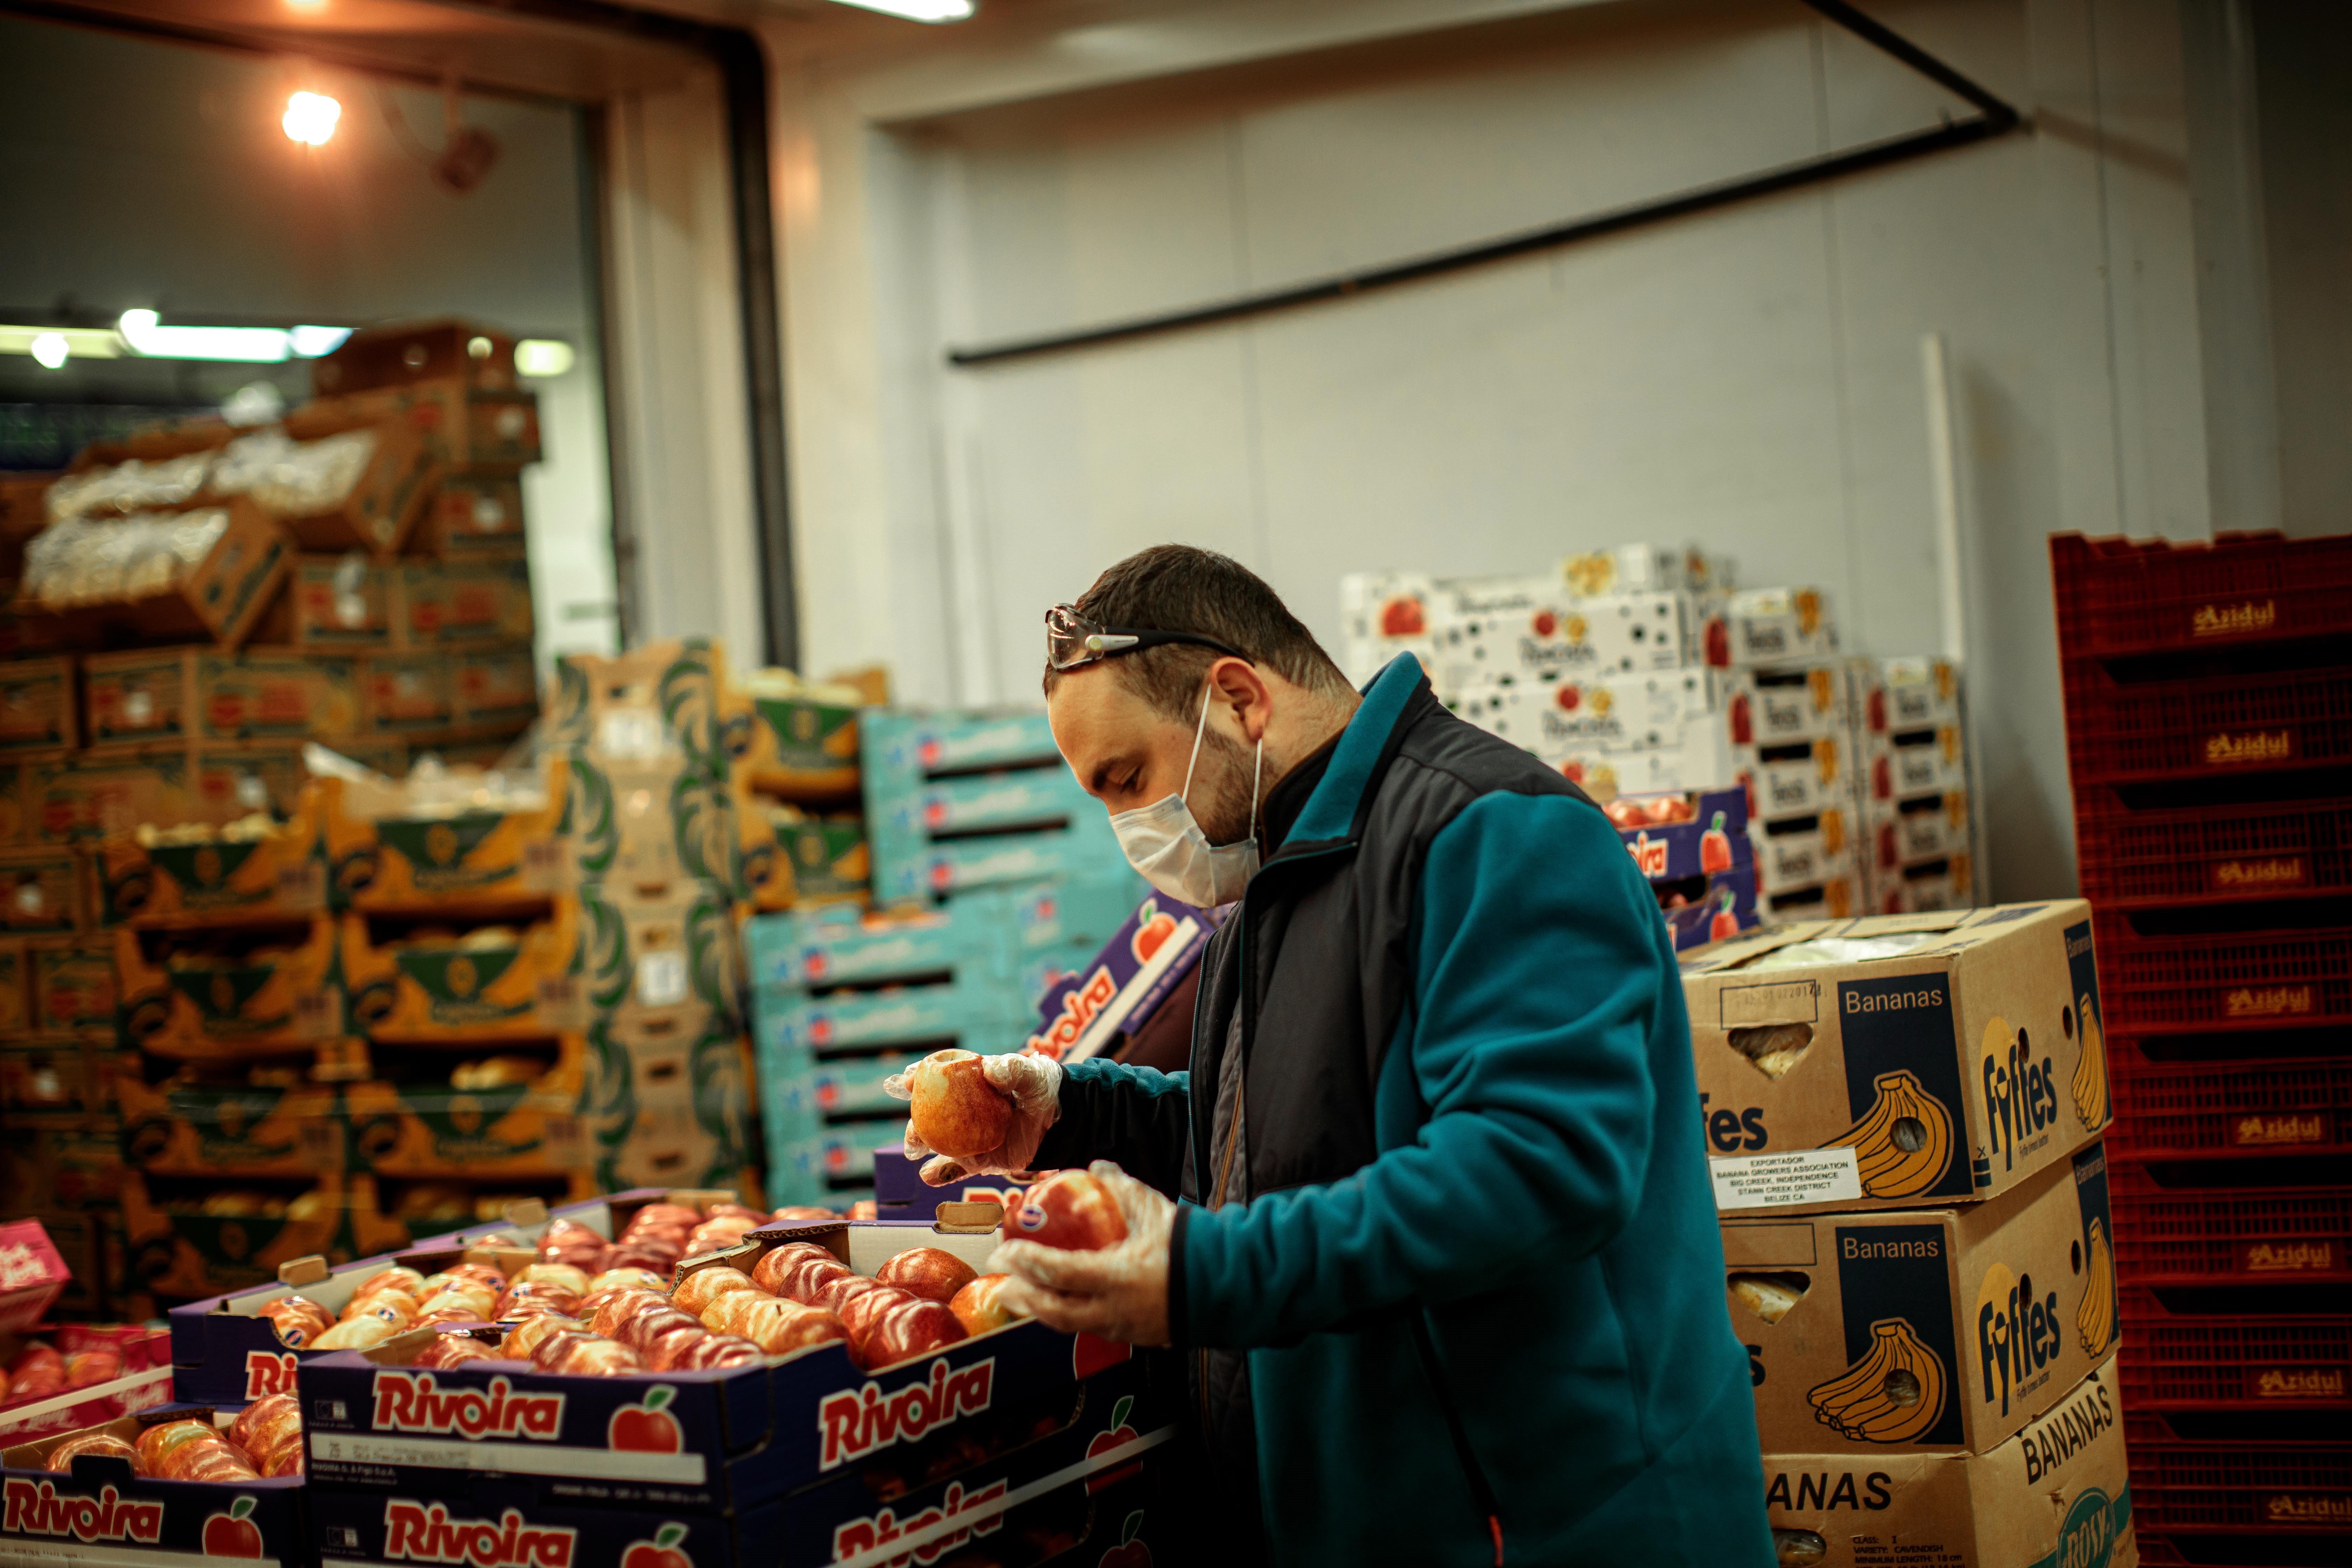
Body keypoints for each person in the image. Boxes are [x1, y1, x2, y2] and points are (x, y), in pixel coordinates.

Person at [888, 545, 1772, 1568]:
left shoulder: (1494, 836)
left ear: (1238, 701)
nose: (1128, 828)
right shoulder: (1276, 887)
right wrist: (1071, 1112)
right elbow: (1282, 1133)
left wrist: (1202, 1275)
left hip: (1549, 1528)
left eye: (1128, 780)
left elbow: (1539, 1168)